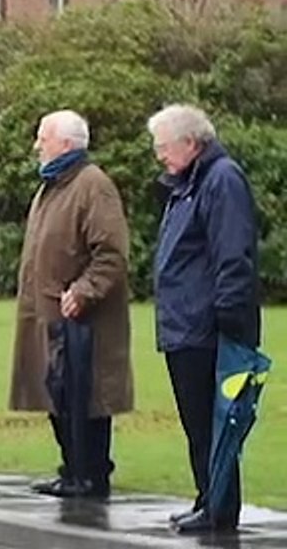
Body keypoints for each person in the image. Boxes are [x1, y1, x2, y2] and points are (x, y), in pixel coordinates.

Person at [148, 104, 261, 534]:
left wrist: (228, 319)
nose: (160, 156)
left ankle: (219, 508)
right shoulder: (188, 184)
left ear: (191, 143)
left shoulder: (220, 180)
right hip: (184, 324)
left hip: (206, 326)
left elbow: (233, 254)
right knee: (196, 423)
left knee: (214, 423)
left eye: (164, 147)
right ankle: (207, 497)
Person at [9, 110, 133, 499]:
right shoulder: (52, 186)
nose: (36, 146)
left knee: (88, 397)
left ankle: (92, 474)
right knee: (57, 394)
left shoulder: (92, 186)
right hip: (47, 316)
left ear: (65, 143)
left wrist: (84, 290)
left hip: (82, 322)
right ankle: (72, 469)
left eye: (42, 138)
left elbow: (111, 252)